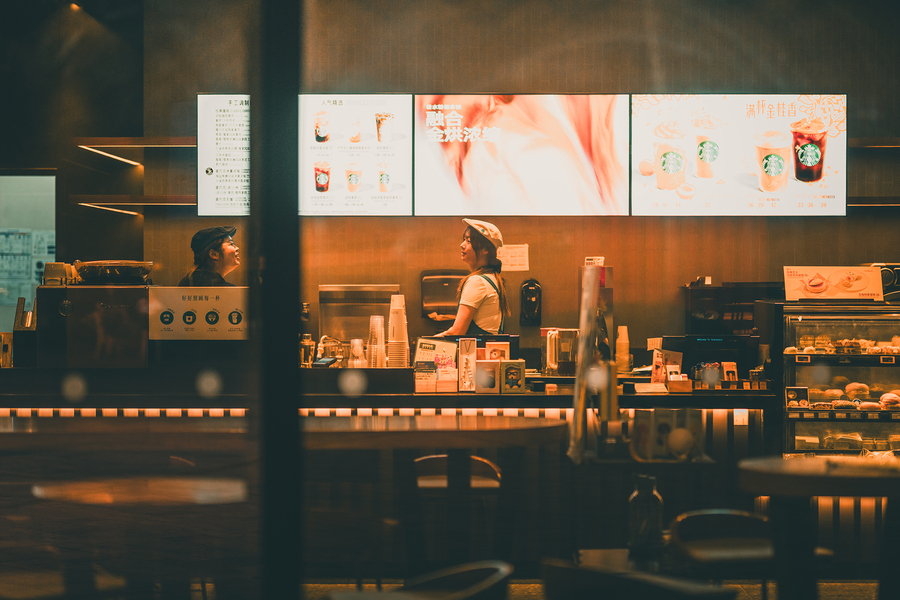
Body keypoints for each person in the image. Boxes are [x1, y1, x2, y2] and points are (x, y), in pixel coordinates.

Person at [436, 218, 510, 336]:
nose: (462, 245)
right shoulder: (491, 277)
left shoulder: (477, 281)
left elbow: (457, 331)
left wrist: (426, 343)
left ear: (485, 249)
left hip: (477, 348)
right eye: (464, 240)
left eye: (469, 241)